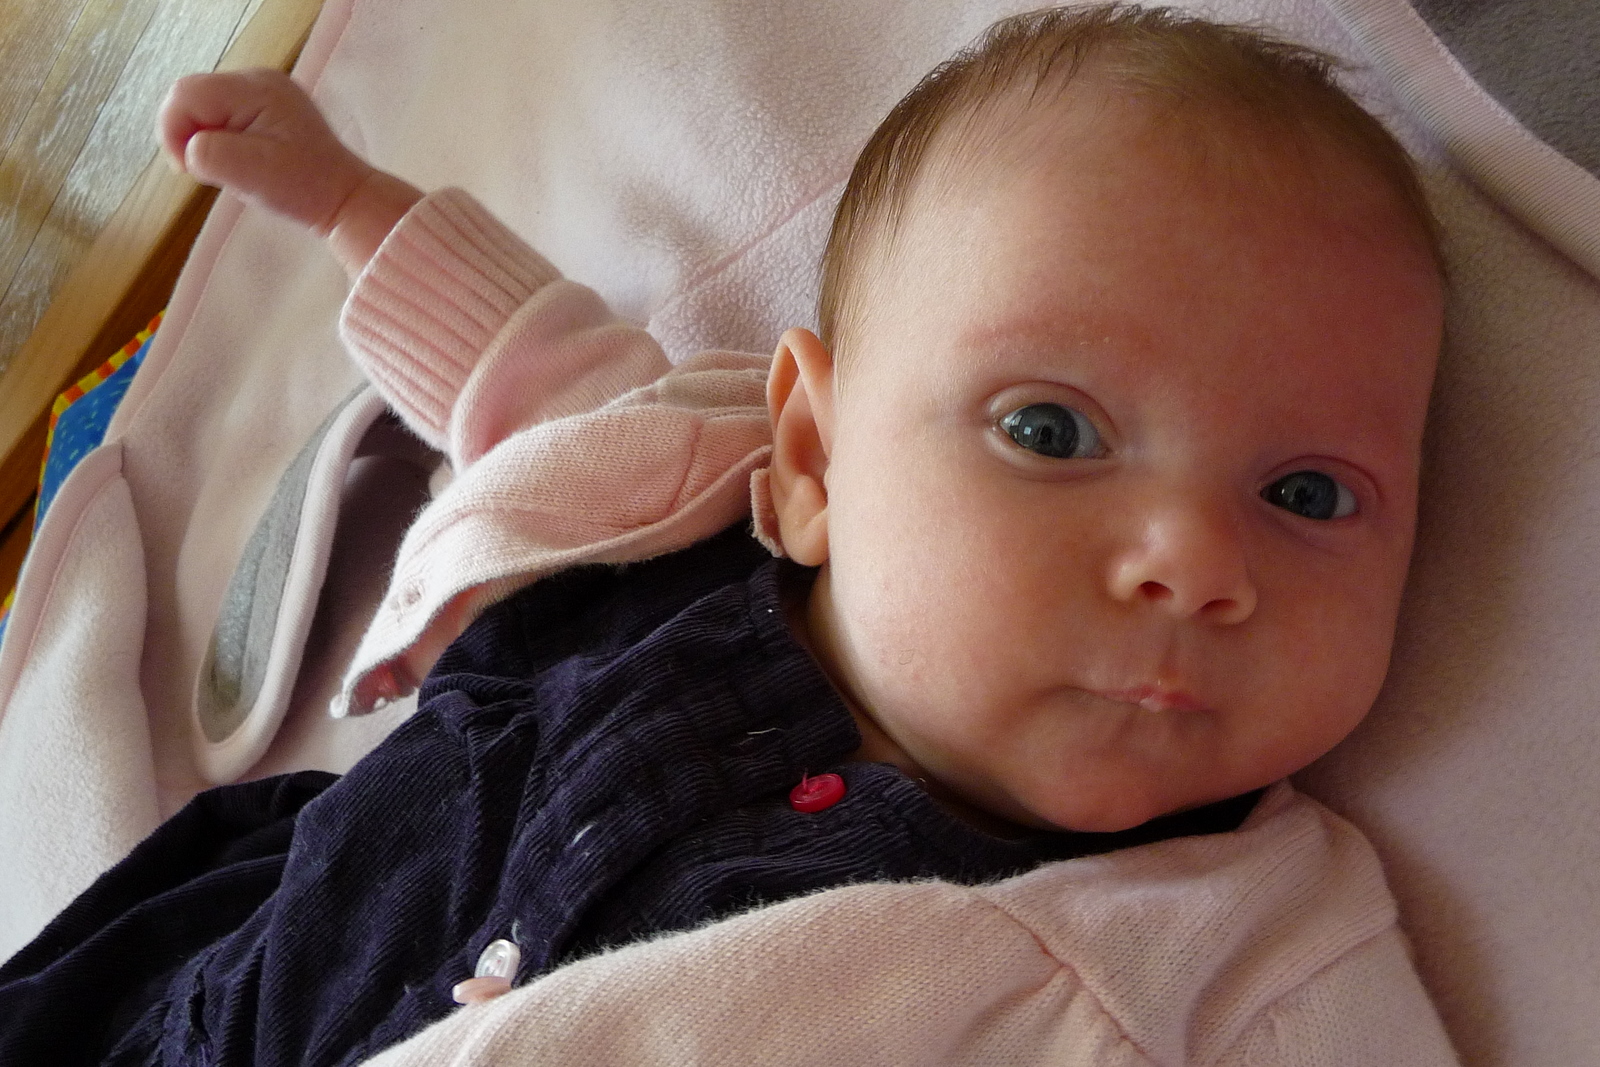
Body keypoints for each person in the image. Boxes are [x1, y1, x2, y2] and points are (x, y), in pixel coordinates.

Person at [0, 6, 1455, 1065]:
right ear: (815, 458)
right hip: (209, 990)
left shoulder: (1254, 949)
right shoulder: (676, 505)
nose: (1195, 565)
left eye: (1307, 495)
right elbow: (536, 375)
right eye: (1051, 432)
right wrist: (347, 201)